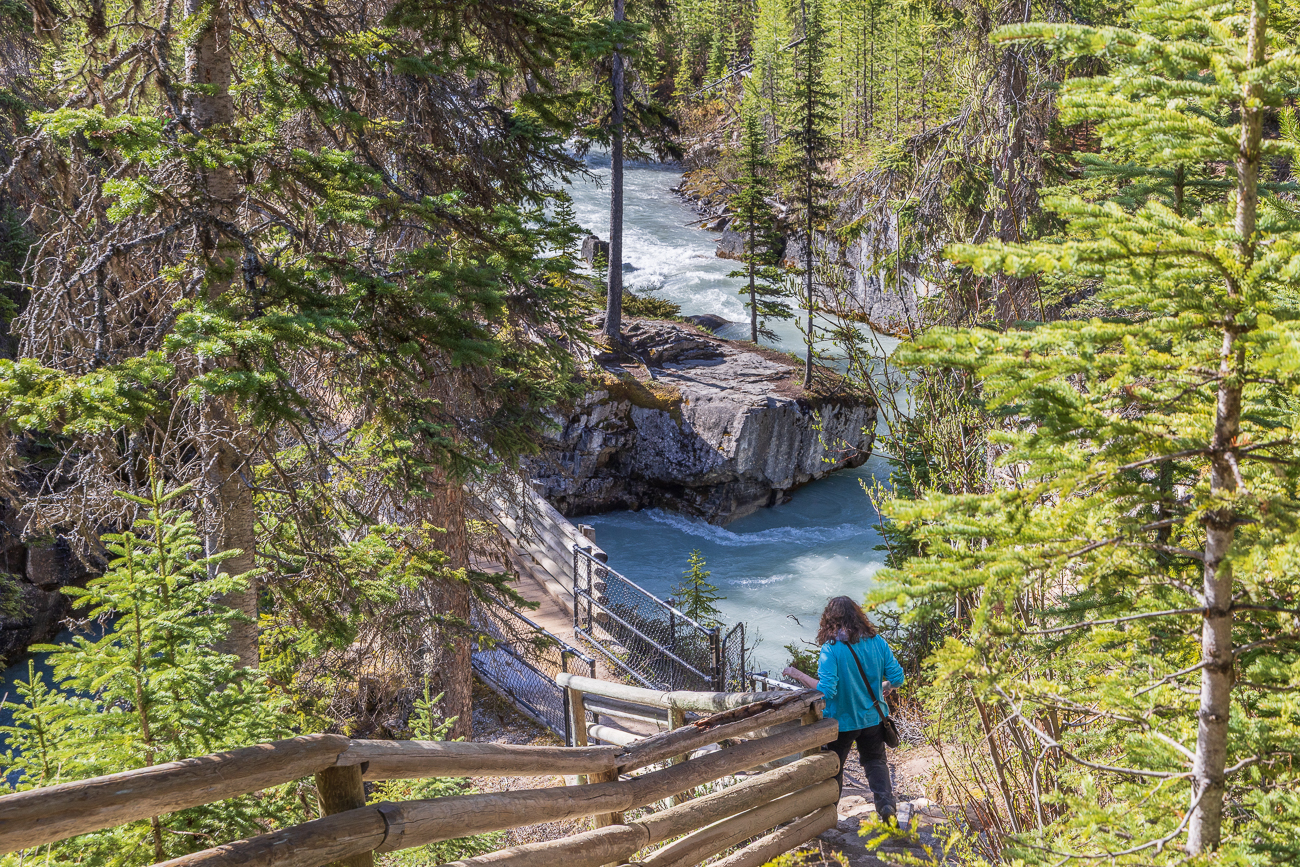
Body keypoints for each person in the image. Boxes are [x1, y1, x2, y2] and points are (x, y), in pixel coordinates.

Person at [783, 595, 905, 821]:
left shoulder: (831, 649)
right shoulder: (877, 642)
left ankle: (828, 815)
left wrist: (797, 674)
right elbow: (897, 677)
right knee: (876, 762)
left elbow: (826, 691)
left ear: (829, 621)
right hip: (874, 718)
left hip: (841, 722)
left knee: (833, 768)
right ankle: (886, 807)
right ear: (858, 616)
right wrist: (884, 686)